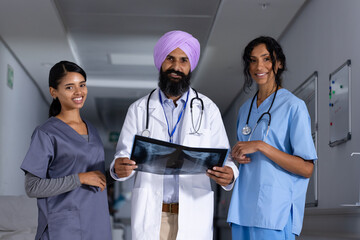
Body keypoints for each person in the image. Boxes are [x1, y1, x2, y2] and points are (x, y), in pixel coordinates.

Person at [110, 30, 239, 240]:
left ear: (190, 66)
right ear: (161, 62)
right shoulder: (139, 109)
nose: (176, 67)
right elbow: (122, 155)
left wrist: (230, 174)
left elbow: (226, 158)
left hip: (192, 212)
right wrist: (118, 167)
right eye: (170, 58)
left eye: (183, 60)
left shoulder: (209, 109)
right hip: (152, 213)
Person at [227, 36, 318, 240]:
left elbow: (307, 168)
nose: (259, 66)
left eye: (266, 59)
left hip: (274, 213)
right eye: (253, 60)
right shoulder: (244, 109)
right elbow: (244, 156)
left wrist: (261, 146)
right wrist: (236, 156)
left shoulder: (294, 106)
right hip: (242, 212)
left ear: (279, 63)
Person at [20, 61, 112, 240]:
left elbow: (96, 178)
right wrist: (80, 178)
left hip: (97, 223)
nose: (79, 92)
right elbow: (32, 187)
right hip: (64, 228)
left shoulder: (91, 129)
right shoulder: (46, 133)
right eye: (70, 87)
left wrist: (116, 172)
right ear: (53, 92)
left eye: (82, 85)